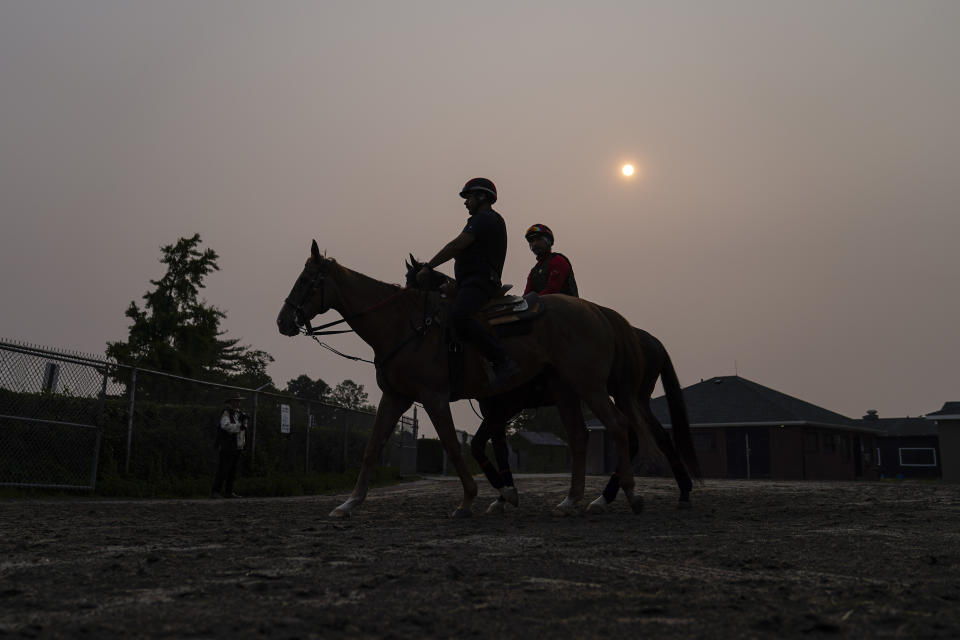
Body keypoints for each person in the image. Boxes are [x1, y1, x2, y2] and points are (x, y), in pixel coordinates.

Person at [417, 178, 520, 385]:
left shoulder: (484, 218)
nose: (465, 203)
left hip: (480, 283)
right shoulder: (484, 219)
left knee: (460, 315)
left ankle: (502, 361)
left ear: (481, 197)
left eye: (468, 198)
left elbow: (456, 246)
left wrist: (429, 266)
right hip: (470, 282)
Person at [522, 223, 578, 296]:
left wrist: (532, 301)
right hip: (544, 305)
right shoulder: (534, 272)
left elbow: (552, 291)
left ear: (548, 241)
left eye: (539, 239)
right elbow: (526, 294)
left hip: (565, 306)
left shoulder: (558, 261)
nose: (534, 244)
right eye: (531, 241)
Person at [211, 394, 247, 498]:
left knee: (232, 471)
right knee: (223, 469)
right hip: (227, 446)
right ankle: (215, 492)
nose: (237, 403)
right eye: (235, 401)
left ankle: (228, 492)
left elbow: (243, 429)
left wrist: (244, 423)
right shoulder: (226, 413)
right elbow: (225, 426)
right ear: (230, 402)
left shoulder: (240, 414)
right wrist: (240, 426)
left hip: (237, 446)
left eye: (238, 401)